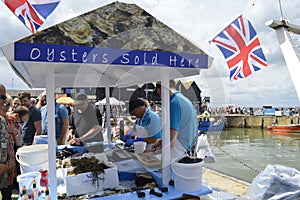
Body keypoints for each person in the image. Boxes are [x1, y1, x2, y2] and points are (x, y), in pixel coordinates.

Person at [150, 80, 198, 162]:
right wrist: (160, 142)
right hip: (187, 148)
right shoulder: (184, 99)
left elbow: (171, 143)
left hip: (178, 151)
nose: (161, 98)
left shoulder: (173, 103)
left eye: (160, 94)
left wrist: (152, 153)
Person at [0, 84, 15, 200]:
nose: (3, 102)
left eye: (4, 97)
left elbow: (7, 143)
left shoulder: (3, 121)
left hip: (4, 176)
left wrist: (10, 158)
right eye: (1, 97)